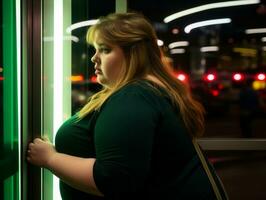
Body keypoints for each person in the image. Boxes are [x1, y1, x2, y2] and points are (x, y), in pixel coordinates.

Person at [27, 12, 227, 200]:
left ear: (134, 54)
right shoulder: (154, 91)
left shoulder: (134, 96)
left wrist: (50, 159)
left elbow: (114, 179)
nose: (94, 58)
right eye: (95, 49)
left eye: (105, 50)